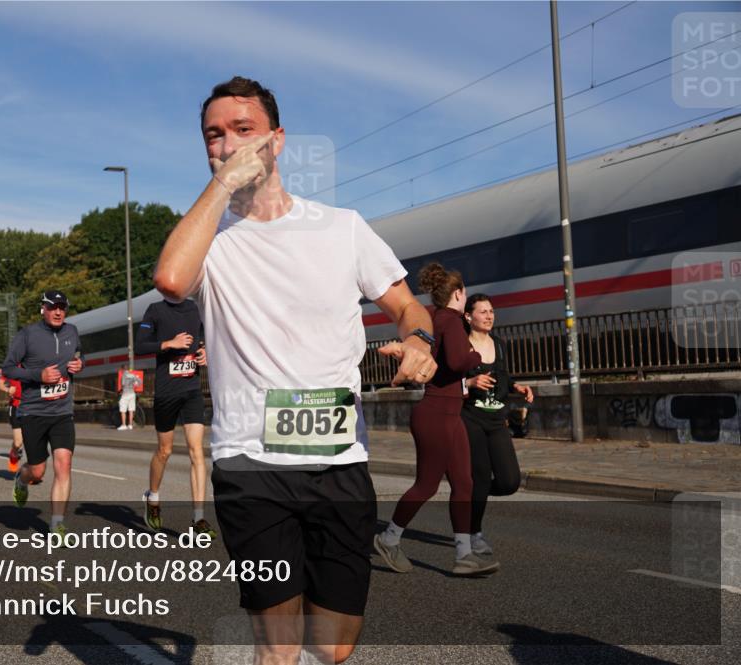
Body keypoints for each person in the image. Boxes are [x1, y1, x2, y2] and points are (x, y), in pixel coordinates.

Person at [153, 77, 436, 665]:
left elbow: (408, 305)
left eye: (243, 130)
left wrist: (419, 341)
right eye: (214, 135)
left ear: (277, 140)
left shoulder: (341, 227)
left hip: (338, 462)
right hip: (252, 467)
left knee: (332, 648)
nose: (228, 144)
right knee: (279, 650)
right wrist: (223, 185)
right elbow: (172, 281)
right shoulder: (209, 238)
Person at [374, 263, 499, 577]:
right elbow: (458, 361)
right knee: (427, 485)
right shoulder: (451, 320)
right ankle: (388, 539)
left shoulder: (438, 319)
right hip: (437, 414)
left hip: (448, 413)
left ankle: (464, 555)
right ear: (458, 294)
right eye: (465, 292)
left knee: (464, 483)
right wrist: (476, 356)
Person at [2, 290, 83, 537]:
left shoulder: (72, 332)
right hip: (33, 412)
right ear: (43, 309)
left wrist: (79, 365)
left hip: (62, 411)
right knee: (37, 471)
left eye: (62, 307)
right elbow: (7, 369)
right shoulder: (27, 335)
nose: (58, 311)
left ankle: (57, 523)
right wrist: (39, 376)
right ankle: (21, 479)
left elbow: (78, 356)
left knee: (64, 465)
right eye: (52, 307)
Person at [135, 300, 215, 537]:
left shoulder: (197, 308)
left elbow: (208, 337)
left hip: (191, 391)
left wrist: (205, 352)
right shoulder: (155, 310)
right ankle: (153, 497)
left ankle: (199, 519)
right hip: (166, 392)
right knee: (165, 451)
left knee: (196, 450)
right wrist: (170, 344)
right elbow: (140, 346)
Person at [463, 294, 533, 557]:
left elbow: (503, 376)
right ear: (469, 316)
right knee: (480, 476)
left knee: (509, 481)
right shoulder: (462, 347)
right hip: (470, 419)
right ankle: (474, 533)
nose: (490, 316)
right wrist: (469, 383)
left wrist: (517, 386)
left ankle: (468, 497)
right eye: (483, 312)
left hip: (496, 421)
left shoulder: (500, 345)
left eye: (491, 311)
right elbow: (444, 380)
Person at [0, 373, 24, 472]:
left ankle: (32, 470)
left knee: (32, 440)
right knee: (18, 443)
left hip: (31, 407)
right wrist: (8, 389)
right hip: (16, 406)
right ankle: (13, 454)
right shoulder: (11, 367)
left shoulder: (33, 363)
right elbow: (0, 384)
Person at [117, 364, 142, 431]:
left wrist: (121, 391)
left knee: (123, 410)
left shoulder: (124, 375)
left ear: (122, 369)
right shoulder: (133, 375)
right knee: (131, 410)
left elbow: (123, 385)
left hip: (125, 394)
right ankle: (130, 425)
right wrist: (135, 385)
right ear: (127, 369)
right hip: (132, 394)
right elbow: (140, 381)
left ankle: (124, 425)